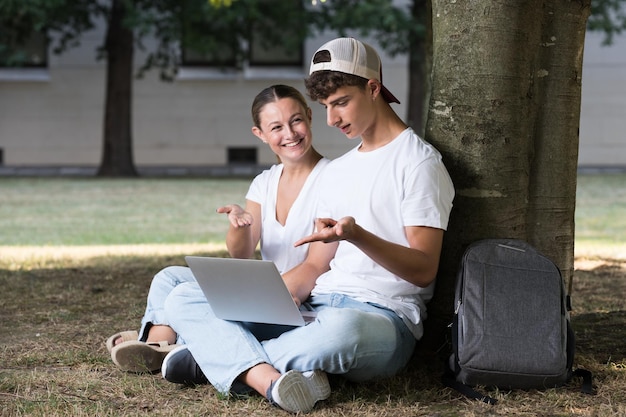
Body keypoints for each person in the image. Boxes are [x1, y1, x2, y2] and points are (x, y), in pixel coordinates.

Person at [161, 37, 454, 414]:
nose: (332, 119)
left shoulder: (419, 163)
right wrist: (267, 301)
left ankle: (210, 357)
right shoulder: (343, 169)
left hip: (381, 318)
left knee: (341, 332)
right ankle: (270, 378)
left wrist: (358, 236)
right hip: (317, 308)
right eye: (325, 107)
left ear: (373, 88)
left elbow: (423, 269)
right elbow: (315, 266)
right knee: (185, 296)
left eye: (341, 103)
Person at [105, 84, 330, 375]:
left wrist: (264, 295)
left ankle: (172, 341)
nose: (289, 134)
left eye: (296, 120)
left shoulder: (330, 179)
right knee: (169, 278)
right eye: (276, 127)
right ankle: (159, 346)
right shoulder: (265, 182)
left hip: (300, 298)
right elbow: (243, 252)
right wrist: (239, 225)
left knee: (186, 299)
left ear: (310, 117)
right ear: (259, 134)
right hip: (268, 291)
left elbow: (317, 265)